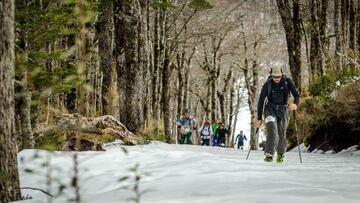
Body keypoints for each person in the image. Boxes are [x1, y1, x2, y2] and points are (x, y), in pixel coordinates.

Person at [256, 67, 300, 163]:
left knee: (281, 133)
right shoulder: (267, 84)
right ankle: (269, 154)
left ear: (282, 74)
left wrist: (295, 104)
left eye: (278, 77)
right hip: (270, 110)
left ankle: (280, 154)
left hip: (283, 110)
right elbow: (261, 101)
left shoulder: (287, 82)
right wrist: (259, 118)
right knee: (272, 130)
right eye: (274, 77)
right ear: (271, 75)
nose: (276, 79)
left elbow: (296, 95)